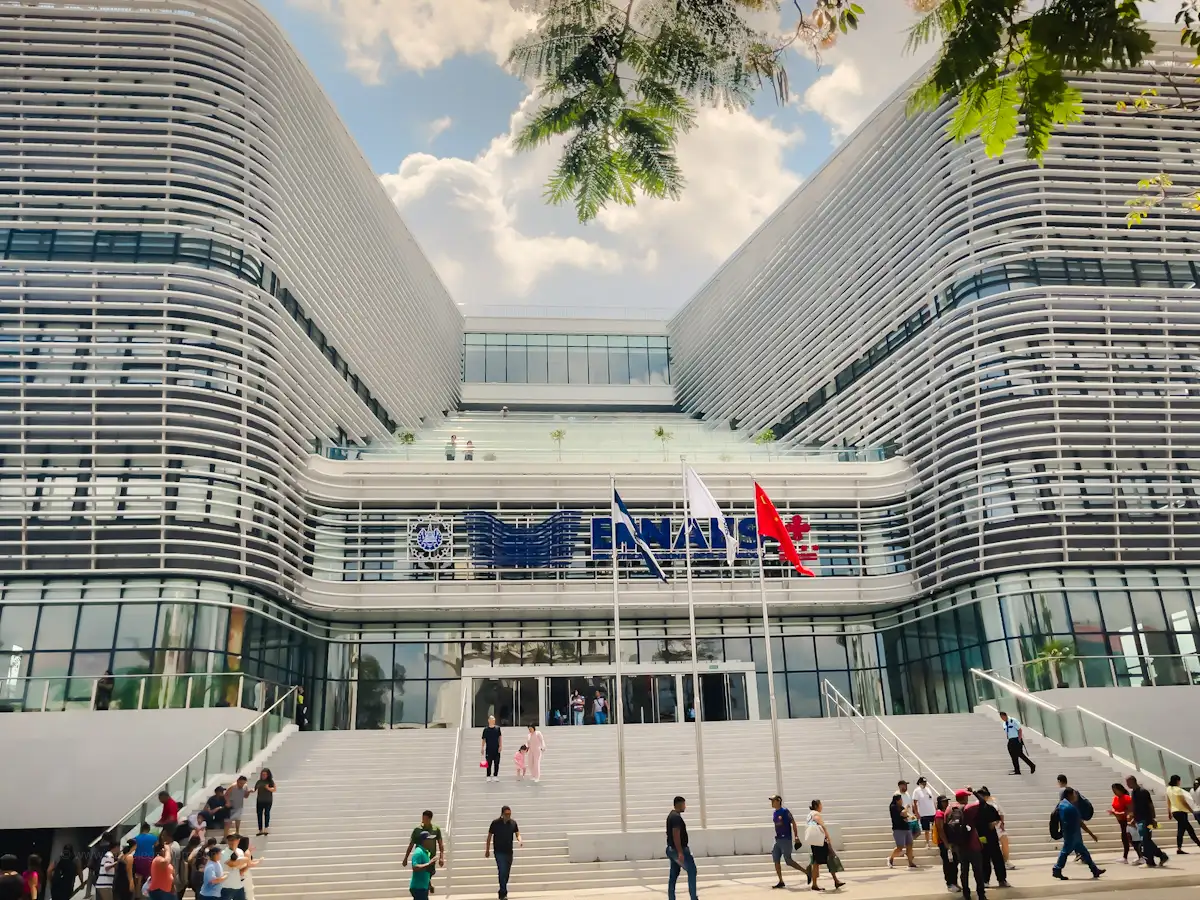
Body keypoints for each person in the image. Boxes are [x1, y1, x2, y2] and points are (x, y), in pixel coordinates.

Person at [1053, 788, 1105, 880]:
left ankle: (1094, 870)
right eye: (1074, 794)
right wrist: (1091, 834)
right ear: (1070, 795)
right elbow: (1080, 823)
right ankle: (1057, 869)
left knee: (1084, 852)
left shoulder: (1063, 805)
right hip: (1073, 835)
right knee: (1065, 852)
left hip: (1072, 834)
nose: (1076, 796)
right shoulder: (1070, 808)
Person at [947, 790, 985, 900]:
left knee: (964, 871)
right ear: (964, 798)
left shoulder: (950, 810)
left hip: (960, 846)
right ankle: (981, 895)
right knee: (978, 871)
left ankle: (966, 894)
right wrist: (973, 791)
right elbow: (982, 802)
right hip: (972, 844)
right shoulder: (968, 808)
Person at [1127, 775, 1169, 867]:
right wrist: (1133, 818)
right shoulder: (1133, 792)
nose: (1127, 784)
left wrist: (1153, 818)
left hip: (1146, 819)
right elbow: (1135, 807)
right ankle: (1156, 858)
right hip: (1139, 819)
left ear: (1133, 781)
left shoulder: (1143, 792)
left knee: (1145, 840)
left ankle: (1156, 858)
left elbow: (1150, 805)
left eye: (1128, 782)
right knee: (1146, 840)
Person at [768, 795, 808, 889]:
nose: (771, 802)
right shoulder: (775, 813)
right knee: (776, 859)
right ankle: (781, 881)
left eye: (773, 801)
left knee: (788, 860)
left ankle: (806, 872)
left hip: (786, 839)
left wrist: (796, 836)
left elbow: (793, 823)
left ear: (778, 801)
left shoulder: (785, 811)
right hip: (777, 839)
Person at [402, 811, 445, 895]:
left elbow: (440, 844)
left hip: (430, 857)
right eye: (422, 818)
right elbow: (411, 844)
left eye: (425, 819)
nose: (423, 820)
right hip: (421, 856)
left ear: (430, 819)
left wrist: (441, 857)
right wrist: (405, 858)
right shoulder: (417, 830)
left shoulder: (436, 829)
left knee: (429, 872)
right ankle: (427, 886)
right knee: (422, 872)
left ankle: (428, 885)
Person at [806, 799, 844, 892]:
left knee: (818, 861)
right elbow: (822, 825)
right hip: (820, 841)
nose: (821, 806)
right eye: (820, 804)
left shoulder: (809, 815)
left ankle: (834, 880)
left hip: (813, 840)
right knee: (826, 859)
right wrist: (827, 836)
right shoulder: (816, 814)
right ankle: (833, 881)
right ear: (817, 805)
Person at [485, 805, 521, 900]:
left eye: (509, 814)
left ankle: (502, 890)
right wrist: (487, 850)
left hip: (509, 851)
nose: (508, 816)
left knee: (506, 873)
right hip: (499, 851)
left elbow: (517, 833)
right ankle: (503, 893)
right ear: (502, 814)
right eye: (506, 814)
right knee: (502, 871)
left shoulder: (513, 823)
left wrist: (520, 840)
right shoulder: (495, 823)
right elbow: (489, 837)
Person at [973, 788, 1007, 889]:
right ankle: (985, 880)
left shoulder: (990, 808)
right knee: (984, 859)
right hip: (981, 837)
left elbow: (997, 818)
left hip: (992, 837)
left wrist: (994, 823)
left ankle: (1002, 879)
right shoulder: (974, 809)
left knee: (997, 858)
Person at [666, 796, 697, 900]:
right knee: (692, 870)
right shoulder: (675, 817)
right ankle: (693, 897)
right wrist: (680, 852)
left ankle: (671, 897)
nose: (685, 806)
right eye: (684, 804)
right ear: (679, 804)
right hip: (678, 849)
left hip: (671, 849)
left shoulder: (672, 815)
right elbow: (676, 834)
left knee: (674, 873)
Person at [1056, 775, 1098, 844]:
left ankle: (1076, 851)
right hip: (1077, 816)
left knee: (1070, 840)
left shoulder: (1063, 791)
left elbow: (1062, 805)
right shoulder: (1073, 790)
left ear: (1059, 781)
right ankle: (1078, 851)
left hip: (1070, 818)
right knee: (1076, 836)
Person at [1165, 774, 1199, 853]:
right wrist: (1191, 810)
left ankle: (1179, 848)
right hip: (1181, 811)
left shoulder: (1168, 789)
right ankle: (1198, 844)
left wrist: (1169, 812)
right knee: (1189, 829)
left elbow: (1168, 801)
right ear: (1177, 781)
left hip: (1174, 811)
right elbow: (1183, 802)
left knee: (1181, 829)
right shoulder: (1178, 789)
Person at [1108, 783, 1140, 865]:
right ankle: (1125, 857)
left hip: (1127, 821)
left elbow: (1130, 811)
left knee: (1130, 839)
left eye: (1115, 790)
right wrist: (1114, 812)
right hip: (1121, 821)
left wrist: (1117, 813)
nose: (1114, 792)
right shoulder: (1115, 798)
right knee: (1125, 839)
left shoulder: (1126, 798)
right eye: (1113, 790)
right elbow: (1114, 807)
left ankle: (1141, 856)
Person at [933, 796, 959, 893]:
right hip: (945, 843)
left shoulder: (947, 812)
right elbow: (940, 830)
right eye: (943, 802)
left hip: (952, 842)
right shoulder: (939, 814)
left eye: (946, 801)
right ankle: (950, 883)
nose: (946, 803)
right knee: (948, 864)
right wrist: (946, 843)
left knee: (955, 862)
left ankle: (955, 882)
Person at [887, 793, 916, 868]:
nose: (901, 801)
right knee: (900, 847)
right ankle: (890, 858)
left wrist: (911, 816)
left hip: (906, 828)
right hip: (898, 829)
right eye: (900, 799)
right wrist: (906, 807)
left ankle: (910, 862)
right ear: (897, 800)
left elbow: (906, 813)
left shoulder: (901, 807)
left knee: (909, 845)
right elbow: (903, 813)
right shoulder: (893, 807)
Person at [409, 831, 437, 900]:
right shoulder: (418, 852)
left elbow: (426, 871)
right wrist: (429, 864)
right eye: (429, 840)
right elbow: (415, 867)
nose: (432, 841)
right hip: (418, 888)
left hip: (423, 887)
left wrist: (429, 885)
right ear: (424, 841)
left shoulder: (426, 852)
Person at [914, 777, 938, 849]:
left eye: (925, 782)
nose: (924, 784)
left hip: (932, 812)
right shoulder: (917, 791)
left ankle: (936, 841)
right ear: (920, 783)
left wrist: (936, 809)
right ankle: (927, 843)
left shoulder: (928, 789)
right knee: (926, 829)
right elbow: (915, 802)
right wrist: (917, 813)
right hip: (924, 813)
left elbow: (932, 800)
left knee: (935, 828)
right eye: (923, 782)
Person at [253, 769, 275, 836]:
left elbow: (274, 789)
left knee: (267, 813)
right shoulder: (259, 782)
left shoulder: (270, 782)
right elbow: (255, 789)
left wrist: (268, 788)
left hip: (268, 800)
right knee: (259, 814)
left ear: (268, 775)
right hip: (260, 800)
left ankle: (266, 828)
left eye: (265, 774)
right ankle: (260, 829)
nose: (263, 776)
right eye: (262, 774)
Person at [482, 715, 502, 780]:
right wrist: (482, 747)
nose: (493, 720)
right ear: (488, 720)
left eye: (493, 719)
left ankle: (495, 775)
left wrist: (500, 746)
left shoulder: (497, 728)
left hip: (496, 749)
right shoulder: (486, 729)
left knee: (497, 762)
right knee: (488, 763)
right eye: (491, 719)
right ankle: (488, 775)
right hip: (489, 749)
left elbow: (500, 737)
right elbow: (484, 739)